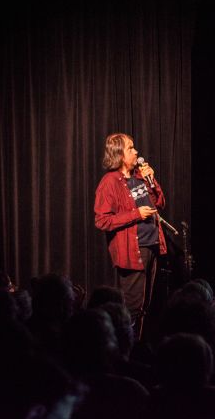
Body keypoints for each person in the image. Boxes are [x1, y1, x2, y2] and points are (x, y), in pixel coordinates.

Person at [94, 133, 166, 339]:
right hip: (133, 251)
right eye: (131, 148)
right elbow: (102, 220)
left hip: (151, 245)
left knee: (144, 306)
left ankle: (137, 348)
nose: (136, 152)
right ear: (119, 154)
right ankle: (126, 349)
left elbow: (159, 204)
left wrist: (152, 182)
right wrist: (136, 214)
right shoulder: (109, 182)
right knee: (133, 307)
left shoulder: (139, 177)